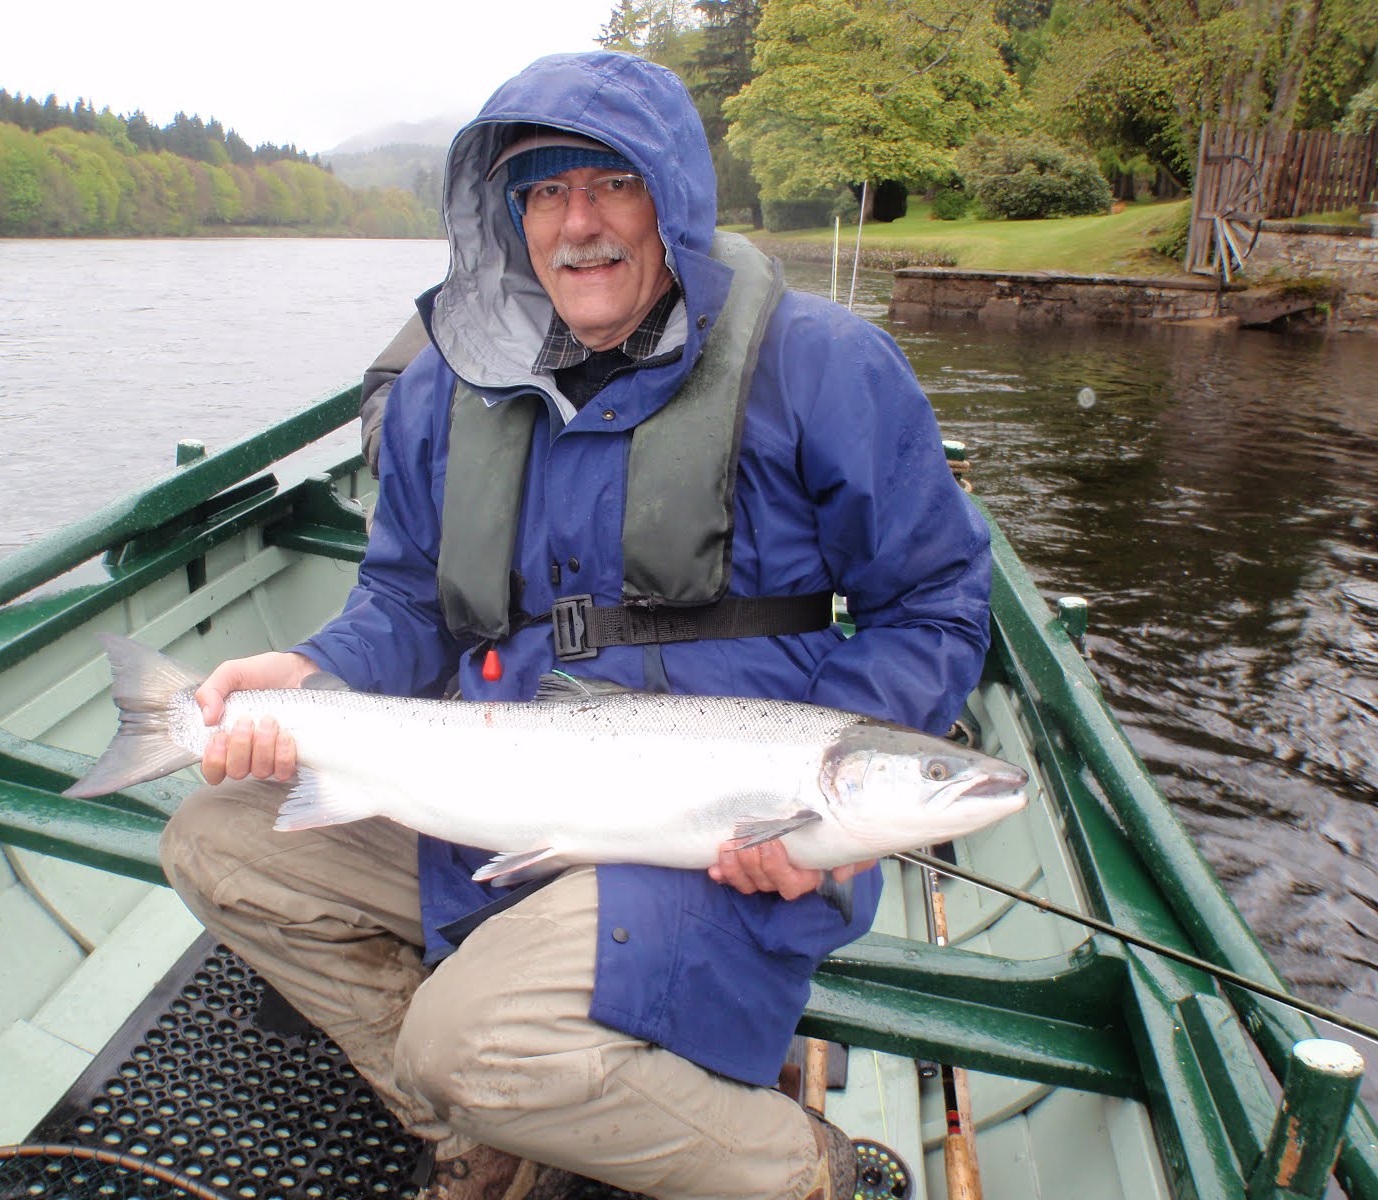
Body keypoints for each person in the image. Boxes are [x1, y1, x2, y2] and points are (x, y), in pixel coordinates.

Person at [159, 50, 991, 1200]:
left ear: (672, 200)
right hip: (503, 799)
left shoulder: (824, 367)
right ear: (509, 218)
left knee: (465, 1040)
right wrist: (311, 668)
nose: (579, 223)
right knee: (215, 842)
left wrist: (816, 798)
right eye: (545, 191)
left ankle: (799, 1170)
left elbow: (937, 601)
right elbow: (405, 601)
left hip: (725, 844)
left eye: (611, 183)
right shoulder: (441, 393)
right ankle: (484, 1132)